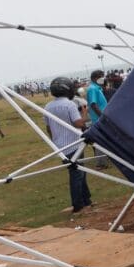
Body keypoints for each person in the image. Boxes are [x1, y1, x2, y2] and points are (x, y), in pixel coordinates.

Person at [44, 76, 92, 214]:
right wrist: (84, 113)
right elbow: (78, 123)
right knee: (77, 173)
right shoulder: (69, 104)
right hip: (74, 143)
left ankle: (86, 200)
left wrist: (55, 141)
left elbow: (48, 128)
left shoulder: (48, 106)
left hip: (60, 146)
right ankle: (78, 205)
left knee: (79, 171)